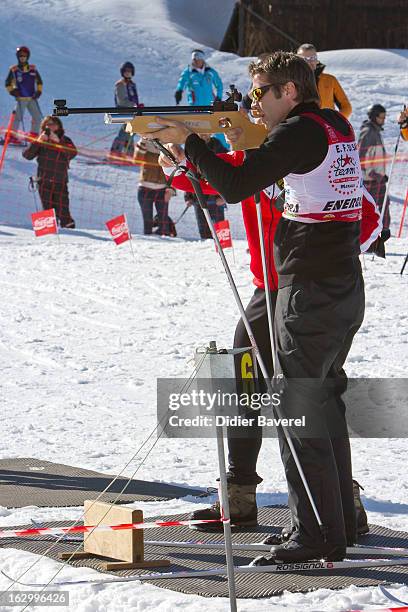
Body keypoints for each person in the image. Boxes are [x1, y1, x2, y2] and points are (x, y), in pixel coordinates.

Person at [148, 50, 374, 563]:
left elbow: (238, 184)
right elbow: (252, 180)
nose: (256, 106)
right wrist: (191, 159)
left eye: (261, 95)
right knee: (320, 402)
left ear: (288, 92)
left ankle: (317, 532)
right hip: (338, 285)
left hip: (306, 289)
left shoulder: (295, 134)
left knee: (299, 406)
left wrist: (191, 142)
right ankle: (335, 519)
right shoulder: (332, 123)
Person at [22, 116, 77, 228]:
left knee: (63, 211)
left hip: (60, 181)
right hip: (43, 181)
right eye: (48, 124)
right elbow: (27, 155)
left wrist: (58, 141)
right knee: (47, 211)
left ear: (59, 126)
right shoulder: (41, 140)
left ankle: (71, 236)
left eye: (53, 124)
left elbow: (73, 153)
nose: (50, 126)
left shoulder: (65, 139)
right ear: (43, 126)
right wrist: (38, 142)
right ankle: (47, 238)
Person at [184, 135, 228, 239]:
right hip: (198, 198)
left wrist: (224, 198)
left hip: (217, 198)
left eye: (206, 132)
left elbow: (227, 174)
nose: (204, 134)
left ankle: (226, 252)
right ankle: (206, 251)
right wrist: (188, 197)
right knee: (204, 233)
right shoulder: (191, 148)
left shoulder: (220, 149)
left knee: (222, 235)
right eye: (201, 132)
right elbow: (188, 173)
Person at [134, 138, 176, 236]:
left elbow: (174, 169)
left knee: (164, 224)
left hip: (162, 190)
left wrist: (170, 189)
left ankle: (165, 247)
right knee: (147, 222)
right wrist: (143, 142)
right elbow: (136, 160)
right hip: (145, 188)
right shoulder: (144, 143)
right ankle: (149, 245)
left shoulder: (169, 144)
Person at [297, 43, 352, 118]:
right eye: (305, 59)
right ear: (298, 60)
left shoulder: (330, 80)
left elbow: (346, 107)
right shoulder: (291, 81)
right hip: (301, 125)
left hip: (325, 126)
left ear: (317, 60)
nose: (309, 62)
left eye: (313, 58)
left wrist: (335, 121)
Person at [358, 104, 390, 232]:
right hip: (370, 181)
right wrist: (375, 175)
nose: (383, 120)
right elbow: (361, 158)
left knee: (383, 209)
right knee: (369, 212)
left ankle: (383, 235)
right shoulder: (368, 133)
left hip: (378, 180)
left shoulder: (376, 132)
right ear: (374, 117)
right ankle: (367, 238)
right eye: (381, 117)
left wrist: (381, 175)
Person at [5, 46, 43, 143]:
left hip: (31, 98)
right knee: (17, 118)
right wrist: (13, 91)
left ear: (27, 57)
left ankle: (33, 134)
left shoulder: (32, 69)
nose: (22, 57)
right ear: (18, 57)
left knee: (37, 117)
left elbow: (39, 82)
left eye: (24, 56)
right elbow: (8, 83)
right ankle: (11, 136)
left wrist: (38, 91)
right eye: (20, 55)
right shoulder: (14, 70)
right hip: (21, 98)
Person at [110, 62, 139, 157]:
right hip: (123, 110)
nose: (128, 73)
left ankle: (128, 153)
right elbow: (121, 101)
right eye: (126, 71)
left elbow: (135, 98)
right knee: (125, 132)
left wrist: (137, 106)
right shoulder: (120, 84)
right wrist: (133, 105)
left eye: (130, 71)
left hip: (132, 111)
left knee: (131, 132)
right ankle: (116, 152)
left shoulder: (132, 84)